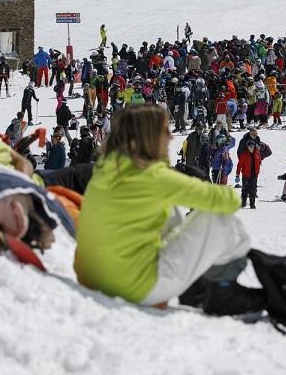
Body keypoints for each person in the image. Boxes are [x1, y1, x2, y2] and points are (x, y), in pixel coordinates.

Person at [75, 104, 265, 315]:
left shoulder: (104, 169)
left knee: (167, 210)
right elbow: (229, 201)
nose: (171, 137)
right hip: (136, 287)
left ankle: (197, 286)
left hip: (93, 277)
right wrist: (193, 183)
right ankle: (222, 292)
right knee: (220, 219)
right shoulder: (153, 176)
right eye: (165, 131)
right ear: (149, 137)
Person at [236, 131, 270, 209]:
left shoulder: (257, 153)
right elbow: (239, 165)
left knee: (253, 190)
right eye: (249, 145)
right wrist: (237, 174)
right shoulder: (244, 154)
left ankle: (252, 204)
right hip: (245, 174)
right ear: (247, 146)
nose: (251, 147)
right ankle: (243, 203)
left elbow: (259, 161)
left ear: (255, 146)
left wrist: (257, 172)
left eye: (252, 145)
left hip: (254, 174)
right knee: (244, 189)